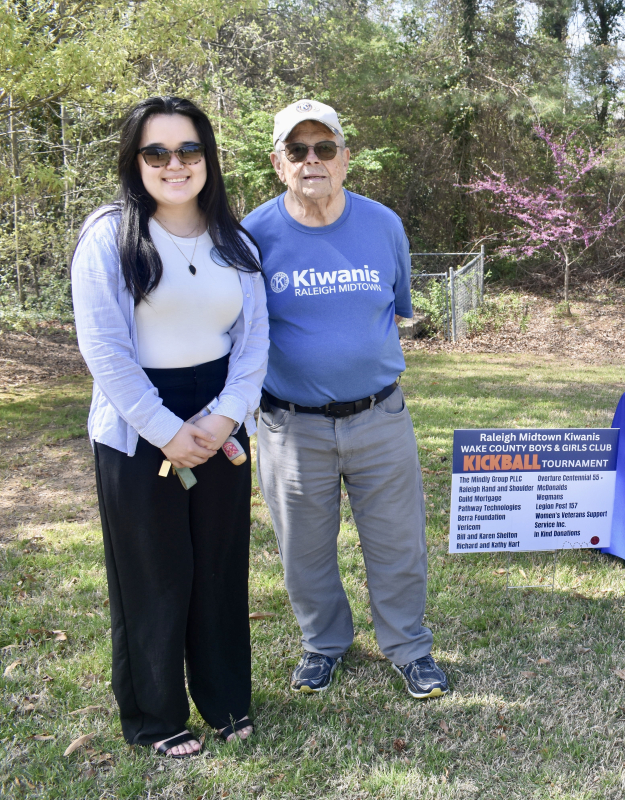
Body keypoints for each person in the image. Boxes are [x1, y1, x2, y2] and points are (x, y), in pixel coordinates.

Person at [71, 96, 269, 757]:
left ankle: (226, 700)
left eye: (188, 150)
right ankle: (155, 718)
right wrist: (165, 429)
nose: (174, 164)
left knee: (218, 566)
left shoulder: (235, 242)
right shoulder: (109, 236)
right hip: (137, 425)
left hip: (219, 416)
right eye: (156, 152)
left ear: (208, 157)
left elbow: (253, 342)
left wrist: (226, 415)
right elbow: (105, 350)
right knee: (153, 574)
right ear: (134, 161)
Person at [243, 99, 447, 699]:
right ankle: (323, 644)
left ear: (344, 158)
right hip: (291, 425)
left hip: (380, 416)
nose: (313, 160)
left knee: (398, 543)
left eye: (324, 148)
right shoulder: (252, 236)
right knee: (304, 551)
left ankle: (408, 647)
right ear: (278, 163)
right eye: (298, 150)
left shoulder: (383, 224)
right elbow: (242, 329)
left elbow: (397, 308)